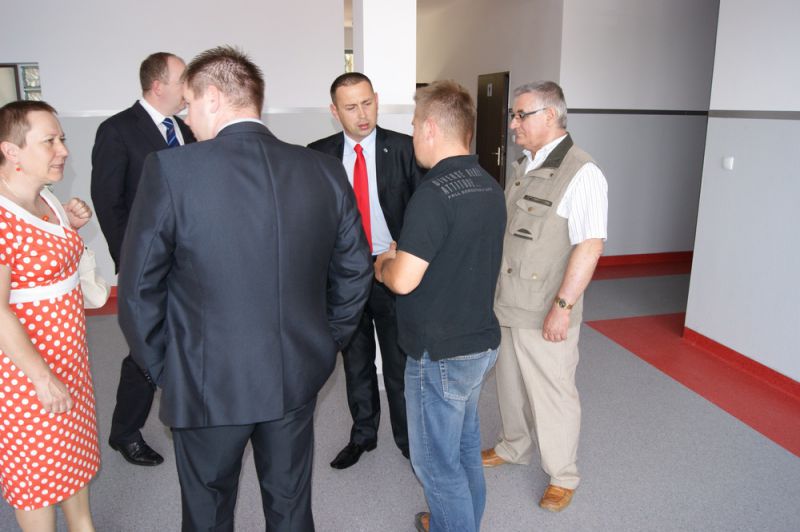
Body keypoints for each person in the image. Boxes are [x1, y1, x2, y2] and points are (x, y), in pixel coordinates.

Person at [117, 46, 373, 531]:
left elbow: (137, 289)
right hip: (296, 373)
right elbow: (355, 270)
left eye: (189, 103)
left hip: (206, 383)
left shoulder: (171, 170)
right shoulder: (321, 168)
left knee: (208, 514)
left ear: (213, 98)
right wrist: (326, 342)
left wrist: (166, 370)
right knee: (290, 508)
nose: (186, 117)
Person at [376, 80, 506, 532]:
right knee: (464, 448)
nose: (412, 135)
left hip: (441, 354)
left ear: (430, 128)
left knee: (435, 466)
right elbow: (456, 254)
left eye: (414, 126)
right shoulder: (489, 184)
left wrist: (384, 264)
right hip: (479, 342)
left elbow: (403, 281)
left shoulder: (433, 194)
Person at [481, 81, 608, 512]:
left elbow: (589, 246)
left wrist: (563, 308)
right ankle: (513, 445)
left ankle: (562, 474)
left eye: (521, 115)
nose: (513, 124)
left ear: (550, 116)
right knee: (510, 384)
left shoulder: (582, 172)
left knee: (553, 392)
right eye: (513, 115)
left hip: (545, 308)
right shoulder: (525, 165)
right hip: (509, 300)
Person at [308, 72, 423, 468]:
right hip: (344, 276)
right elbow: (312, 216)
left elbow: (423, 210)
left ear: (376, 99)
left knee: (397, 363)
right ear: (334, 111)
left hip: (391, 270)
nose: (362, 114)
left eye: (367, 103)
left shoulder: (404, 148)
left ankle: (408, 440)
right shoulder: (317, 155)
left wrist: (404, 246)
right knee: (355, 362)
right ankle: (363, 435)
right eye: (351, 107)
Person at [90, 52, 196, 467]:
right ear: (158, 85)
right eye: (183, 80)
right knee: (145, 347)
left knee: (187, 338)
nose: (188, 88)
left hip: (188, 260)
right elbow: (108, 202)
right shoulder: (117, 130)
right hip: (145, 263)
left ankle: (186, 412)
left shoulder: (185, 129)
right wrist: (129, 262)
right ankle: (125, 432)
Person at [0, 100, 99, 531]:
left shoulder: (46, 199)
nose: (63, 150)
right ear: (11, 151)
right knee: (36, 477)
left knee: (72, 460)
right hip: (25, 374)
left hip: (69, 361)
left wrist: (68, 229)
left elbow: (35, 264)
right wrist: (41, 377)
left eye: (62, 138)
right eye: (50, 141)